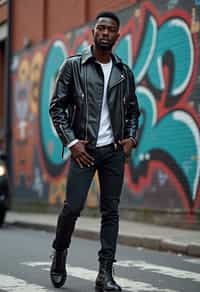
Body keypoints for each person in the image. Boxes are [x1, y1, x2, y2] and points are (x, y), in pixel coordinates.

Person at [49, 11, 140, 291]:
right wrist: (72, 143)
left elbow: (133, 111)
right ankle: (60, 251)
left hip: (113, 152)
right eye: (100, 28)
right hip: (84, 150)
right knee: (73, 207)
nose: (104, 33)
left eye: (110, 29)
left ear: (117, 35)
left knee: (110, 212)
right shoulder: (73, 66)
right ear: (93, 33)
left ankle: (104, 275)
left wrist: (131, 139)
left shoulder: (124, 73)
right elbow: (56, 108)